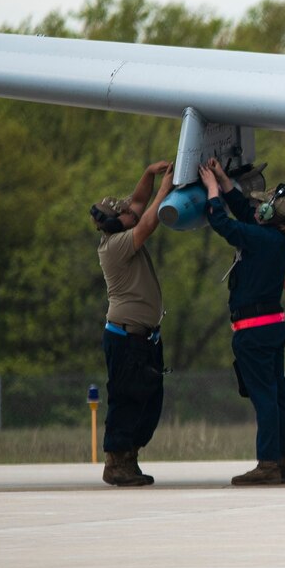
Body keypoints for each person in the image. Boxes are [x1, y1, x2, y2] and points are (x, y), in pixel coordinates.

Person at [201, 156, 285, 486]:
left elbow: (224, 224)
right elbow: (245, 214)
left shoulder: (261, 238)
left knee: (264, 398)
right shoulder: (274, 237)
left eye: (262, 206)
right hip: (272, 327)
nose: (256, 207)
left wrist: (212, 192)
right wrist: (225, 183)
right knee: (277, 394)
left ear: (270, 214)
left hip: (254, 332)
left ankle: (268, 464)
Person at [91, 160, 173, 487]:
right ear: (116, 221)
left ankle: (130, 458)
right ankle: (116, 463)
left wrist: (149, 175)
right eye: (124, 211)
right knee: (127, 399)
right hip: (127, 340)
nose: (131, 210)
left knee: (149, 402)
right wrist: (165, 190)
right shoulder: (117, 245)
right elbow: (148, 220)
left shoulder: (121, 229)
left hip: (144, 338)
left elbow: (139, 205)